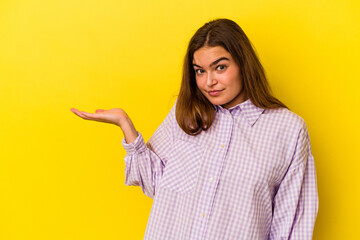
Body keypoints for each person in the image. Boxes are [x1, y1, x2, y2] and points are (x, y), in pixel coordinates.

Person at [71, 18, 319, 240]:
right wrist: (127, 126)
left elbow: (293, 223)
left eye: (220, 67)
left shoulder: (288, 130)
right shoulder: (186, 113)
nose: (209, 82)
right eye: (200, 71)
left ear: (244, 64)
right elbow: (154, 183)